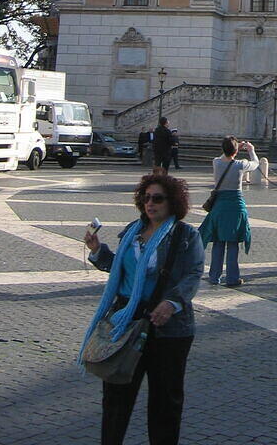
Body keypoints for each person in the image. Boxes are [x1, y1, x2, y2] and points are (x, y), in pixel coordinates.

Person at [82, 172, 204, 445]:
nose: (151, 204)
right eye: (147, 198)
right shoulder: (131, 232)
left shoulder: (186, 235)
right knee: (115, 396)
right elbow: (121, 270)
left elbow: (193, 274)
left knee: (165, 401)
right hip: (126, 320)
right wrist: (98, 250)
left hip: (169, 327)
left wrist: (172, 304)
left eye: (158, 199)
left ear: (172, 202)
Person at [199, 137, 258, 287]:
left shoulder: (216, 162)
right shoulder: (240, 164)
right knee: (233, 242)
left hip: (219, 206)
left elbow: (222, 156)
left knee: (218, 241)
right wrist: (251, 150)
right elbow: (256, 164)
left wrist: (232, 147)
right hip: (236, 206)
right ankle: (232, 278)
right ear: (236, 151)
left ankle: (214, 276)